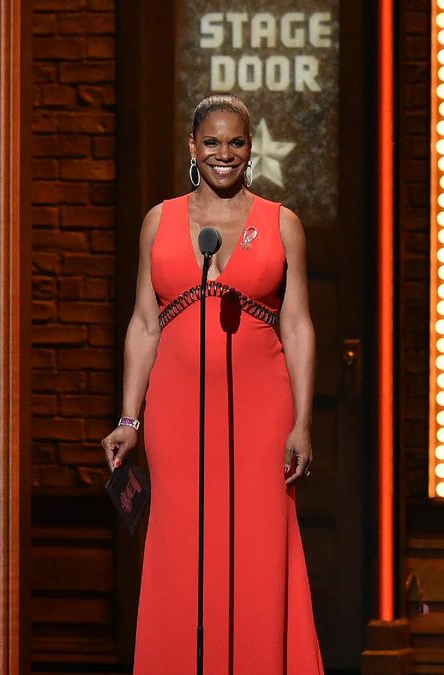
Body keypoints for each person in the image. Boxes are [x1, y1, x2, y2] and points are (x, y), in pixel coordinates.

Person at [101, 93, 324, 673]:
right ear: (192, 148)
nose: (224, 153)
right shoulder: (161, 220)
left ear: (250, 149)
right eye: (212, 142)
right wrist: (130, 419)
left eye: (236, 142)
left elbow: (297, 324)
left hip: (261, 412)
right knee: (181, 547)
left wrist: (302, 421)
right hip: (177, 413)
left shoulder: (283, 223)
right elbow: (144, 324)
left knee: (258, 545)